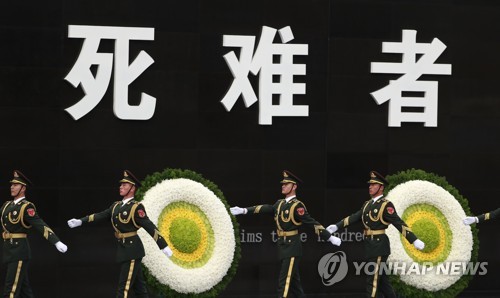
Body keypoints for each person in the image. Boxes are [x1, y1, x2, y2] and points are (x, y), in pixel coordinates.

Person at [230, 170, 341, 298]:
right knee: (294, 284)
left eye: (287, 184)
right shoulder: (280, 203)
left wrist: (329, 237)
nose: (283, 186)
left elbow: (312, 223)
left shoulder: (297, 206)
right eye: (283, 184)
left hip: (292, 247)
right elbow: (265, 208)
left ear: (294, 187)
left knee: (284, 282)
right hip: (283, 246)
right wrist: (244, 210)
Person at [67, 170, 173, 298]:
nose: (121, 187)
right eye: (121, 184)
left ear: (132, 188)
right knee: (140, 289)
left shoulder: (136, 207)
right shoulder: (116, 206)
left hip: (132, 250)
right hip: (125, 249)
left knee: (123, 288)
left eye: (125, 185)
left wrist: (163, 245)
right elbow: (100, 215)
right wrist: (80, 221)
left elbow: (150, 227)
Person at [326, 170, 425, 298]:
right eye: (370, 185)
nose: (370, 187)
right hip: (370, 245)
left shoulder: (385, 205)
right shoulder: (367, 204)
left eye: (374, 185)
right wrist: (336, 226)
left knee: (372, 281)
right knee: (383, 283)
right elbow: (354, 217)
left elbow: (399, 223)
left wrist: (414, 240)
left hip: (379, 246)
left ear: (381, 187)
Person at [1, 170, 68, 297]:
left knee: (11, 290)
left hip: (18, 251)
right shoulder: (6, 206)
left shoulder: (26, 207)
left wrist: (56, 241)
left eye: (15, 185)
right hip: (8, 250)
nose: (12, 187)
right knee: (24, 290)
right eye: (11, 184)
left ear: (23, 188)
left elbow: (40, 225)